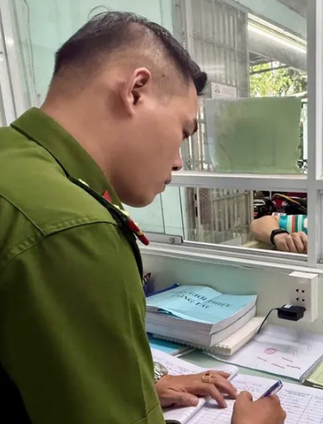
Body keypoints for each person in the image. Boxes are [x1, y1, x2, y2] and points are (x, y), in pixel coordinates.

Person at [0, 12, 285, 424]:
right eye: (184, 131)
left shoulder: (13, 161)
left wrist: (137, 387)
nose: (179, 161)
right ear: (136, 91)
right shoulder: (75, 228)